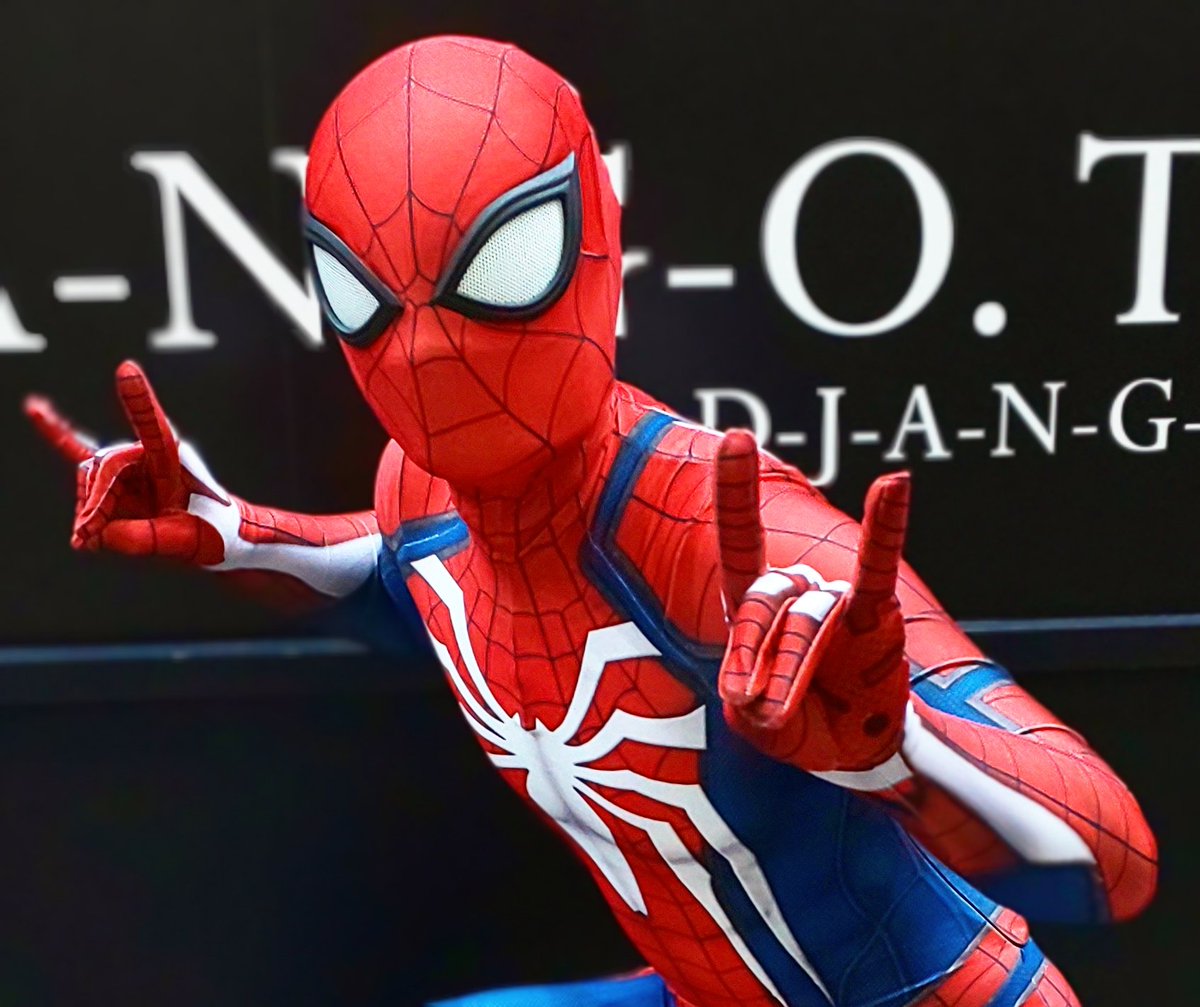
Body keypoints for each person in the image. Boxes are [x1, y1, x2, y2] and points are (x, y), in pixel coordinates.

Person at [26, 35, 1155, 1007]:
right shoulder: (421, 495)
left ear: (595, 237)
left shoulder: (706, 531)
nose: (427, 350)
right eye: (364, 294)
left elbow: (1113, 854)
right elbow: (401, 575)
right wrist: (233, 531)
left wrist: (897, 745)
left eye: (501, 265)